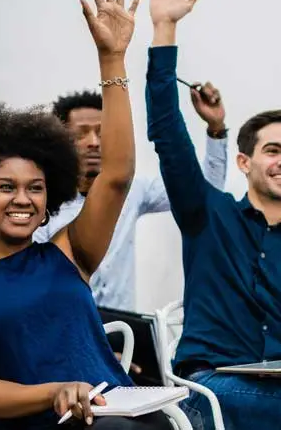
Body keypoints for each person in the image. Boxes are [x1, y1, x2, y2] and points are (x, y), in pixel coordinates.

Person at [0, 0, 172, 430]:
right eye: (6, 187)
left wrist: (112, 59)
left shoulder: (68, 252)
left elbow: (117, 175)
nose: (23, 199)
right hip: (32, 421)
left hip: (113, 413)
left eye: (35, 187)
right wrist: (57, 393)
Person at [144, 0, 281, 429]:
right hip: (205, 387)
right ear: (244, 162)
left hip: (280, 392)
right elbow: (168, 134)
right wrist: (164, 28)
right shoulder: (206, 215)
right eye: (273, 150)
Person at [33, 84, 228, 311]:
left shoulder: (131, 189)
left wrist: (216, 128)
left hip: (121, 331)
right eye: (81, 134)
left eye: (102, 132)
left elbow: (203, 190)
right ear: (60, 142)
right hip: (63, 326)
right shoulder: (41, 200)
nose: (94, 142)